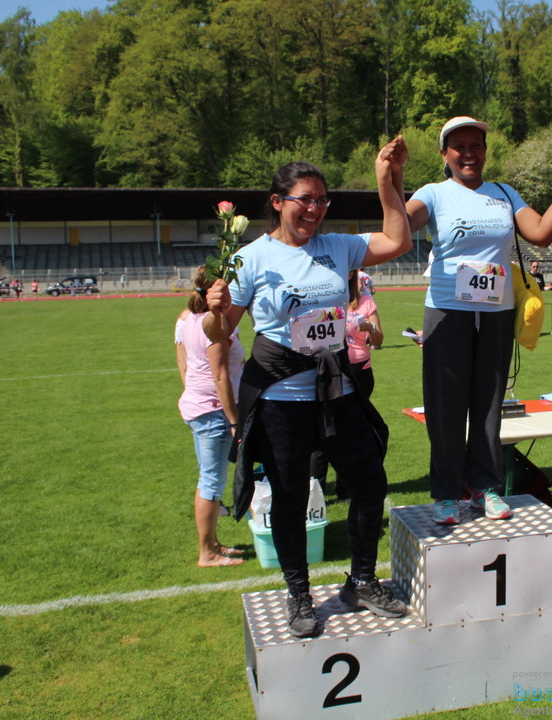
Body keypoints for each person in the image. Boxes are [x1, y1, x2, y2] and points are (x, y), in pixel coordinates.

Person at [204, 137, 411, 638]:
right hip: (280, 401)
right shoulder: (251, 258)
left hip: (338, 391)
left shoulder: (338, 246)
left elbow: (398, 239)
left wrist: (388, 181)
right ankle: (299, 593)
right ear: (278, 203)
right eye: (305, 200)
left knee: (369, 484)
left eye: (322, 200)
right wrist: (214, 311)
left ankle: (361, 578)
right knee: (291, 499)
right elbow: (220, 334)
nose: (315, 209)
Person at [405, 115, 552, 525]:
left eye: (477, 145)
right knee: (445, 406)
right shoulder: (433, 193)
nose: (469, 152)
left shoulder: (504, 194)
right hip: (447, 312)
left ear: (485, 151)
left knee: (489, 405)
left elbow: (540, 233)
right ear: (444, 154)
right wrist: (388, 181)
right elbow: (400, 225)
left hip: (496, 314)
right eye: (459, 146)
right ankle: (448, 493)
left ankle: (485, 487)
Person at [178, 266, 246, 568]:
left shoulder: (186, 317)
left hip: (200, 407)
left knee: (210, 479)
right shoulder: (214, 326)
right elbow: (220, 376)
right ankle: (207, 553)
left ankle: (213, 543)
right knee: (211, 482)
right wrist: (234, 420)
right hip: (213, 412)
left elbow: (182, 361)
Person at [310, 267, 384, 498]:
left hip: (359, 372)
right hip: (328, 372)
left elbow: (379, 339)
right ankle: (316, 491)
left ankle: (346, 487)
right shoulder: (323, 299)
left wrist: (370, 328)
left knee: (351, 431)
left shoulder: (365, 302)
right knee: (322, 431)